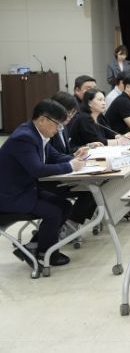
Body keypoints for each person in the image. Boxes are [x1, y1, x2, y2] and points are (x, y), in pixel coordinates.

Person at [0, 99, 87, 266]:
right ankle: (45, 254)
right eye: (57, 124)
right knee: (53, 212)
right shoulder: (24, 137)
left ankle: (32, 248)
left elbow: (55, 156)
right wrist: (70, 166)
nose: (59, 129)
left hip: (24, 190)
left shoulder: (37, 133)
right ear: (42, 120)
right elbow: (37, 170)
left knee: (65, 206)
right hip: (10, 196)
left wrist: (74, 158)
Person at [48, 92, 98, 228]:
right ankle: (70, 223)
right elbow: (51, 157)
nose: (70, 117)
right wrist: (71, 160)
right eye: (68, 113)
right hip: (52, 179)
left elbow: (64, 152)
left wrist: (79, 151)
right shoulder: (49, 129)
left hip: (66, 173)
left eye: (73, 113)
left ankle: (71, 223)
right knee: (92, 189)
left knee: (98, 185)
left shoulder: (63, 127)